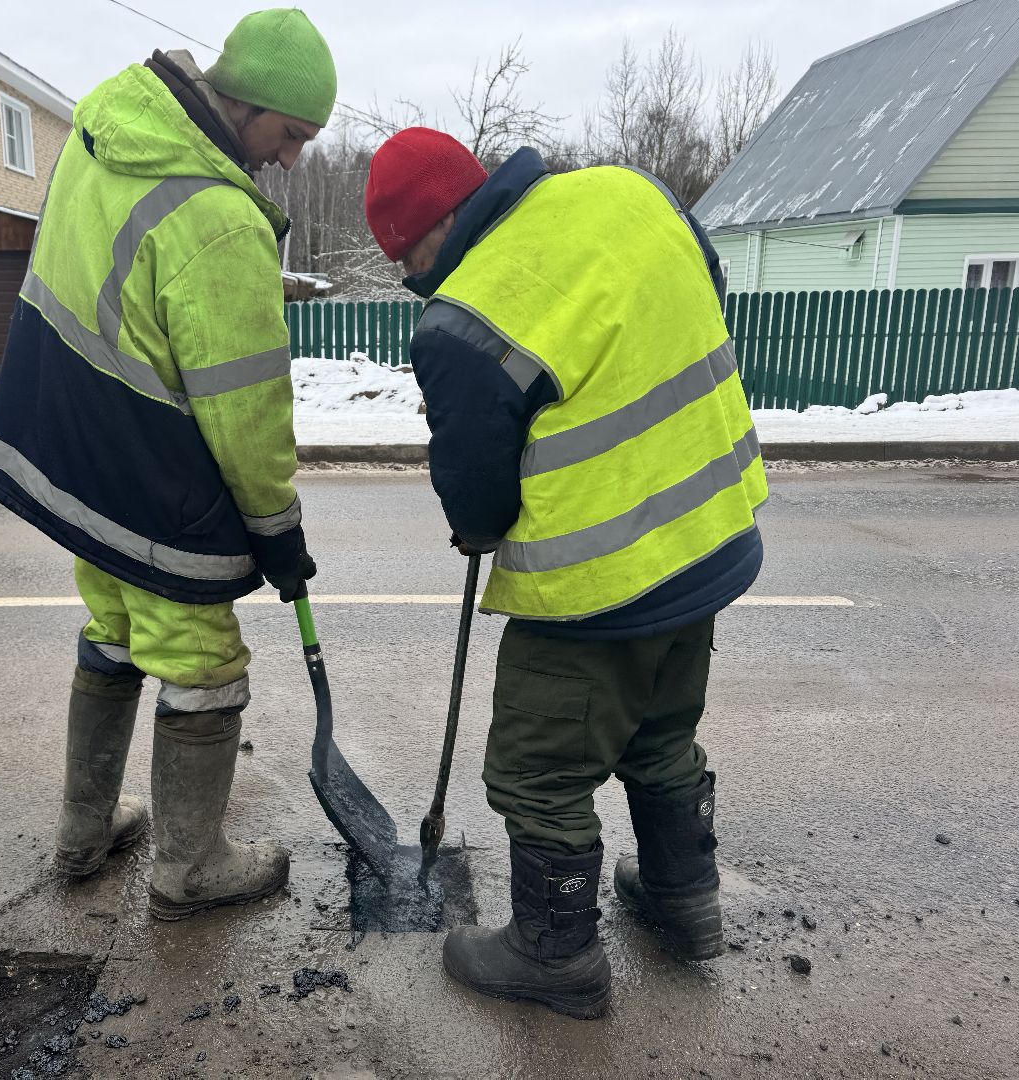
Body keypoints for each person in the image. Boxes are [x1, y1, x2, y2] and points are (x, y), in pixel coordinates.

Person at [364, 128, 768, 1015]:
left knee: (538, 765)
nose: (420, 283)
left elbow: (477, 500)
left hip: (601, 581)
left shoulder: (465, 315)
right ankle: (682, 898)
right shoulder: (626, 191)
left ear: (428, 233)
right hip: (706, 531)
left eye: (411, 264)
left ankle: (555, 955)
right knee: (659, 730)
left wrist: (475, 520)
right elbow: (705, 289)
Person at [0, 9, 335, 920]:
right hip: (146, 457)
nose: (290, 159)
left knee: (113, 624)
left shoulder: (106, 123)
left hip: (70, 441)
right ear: (243, 102)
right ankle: (190, 867)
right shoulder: (218, 221)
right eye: (289, 135)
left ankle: (82, 831)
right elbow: (246, 407)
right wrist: (276, 531)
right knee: (202, 656)